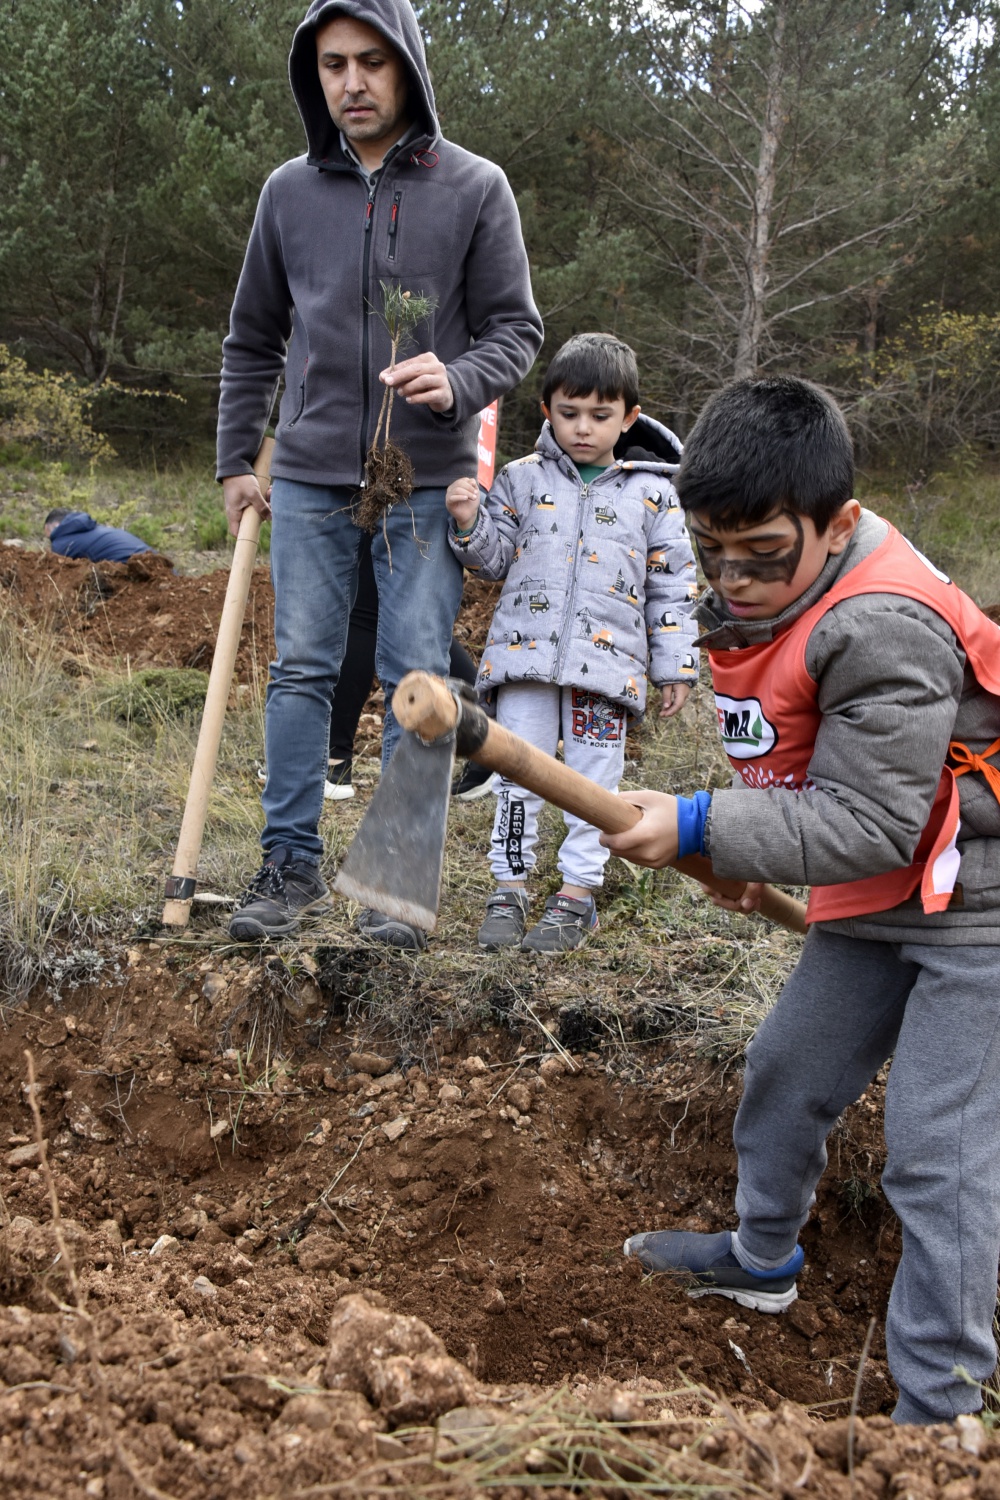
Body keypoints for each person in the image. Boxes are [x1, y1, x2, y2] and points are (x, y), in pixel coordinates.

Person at [602, 376, 1000, 1426]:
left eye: (763, 555)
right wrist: (740, 844)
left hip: (978, 908)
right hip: (875, 894)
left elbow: (868, 818)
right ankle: (759, 1260)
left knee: (935, 1150)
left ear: (839, 523)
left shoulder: (882, 626)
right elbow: (792, 757)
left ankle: (940, 1409)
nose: (732, 580)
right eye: (711, 553)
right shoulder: (763, 588)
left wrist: (698, 825)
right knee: (787, 1074)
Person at [218, 0, 543, 947]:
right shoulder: (288, 193)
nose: (350, 83)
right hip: (313, 475)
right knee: (302, 672)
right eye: (331, 65)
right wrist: (240, 460)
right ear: (312, 75)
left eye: (369, 62)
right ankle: (288, 868)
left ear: (405, 67)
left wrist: (459, 377)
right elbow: (251, 338)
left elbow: (514, 331)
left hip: (424, 477)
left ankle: (396, 883)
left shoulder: (475, 188)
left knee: (417, 678)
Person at [446, 333, 699, 954]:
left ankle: (576, 896)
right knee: (516, 774)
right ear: (547, 410)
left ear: (629, 417)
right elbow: (494, 559)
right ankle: (508, 888)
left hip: (605, 672)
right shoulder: (519, 478)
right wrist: (468, 522)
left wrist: (677, 667)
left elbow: (672, 586)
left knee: (593, 784)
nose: (583, 428)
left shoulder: (654, 493)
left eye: (600, 415)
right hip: (524, 663)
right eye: (569, 413)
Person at [258, 529, 492, 801]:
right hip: (378, 490)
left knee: (375, 608)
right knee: (401, 614)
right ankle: (491, 719)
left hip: (414, 491)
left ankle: (335, 757)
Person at [44, 509, 153, 563]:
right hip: (157, 561)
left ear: (55, 525)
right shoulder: (93, 529)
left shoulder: (61, 542)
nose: (51, 543)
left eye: (50, 537)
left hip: (134, 567)